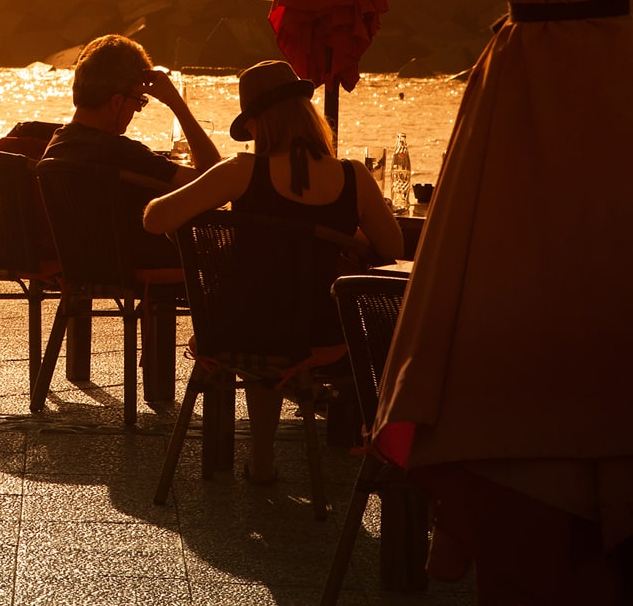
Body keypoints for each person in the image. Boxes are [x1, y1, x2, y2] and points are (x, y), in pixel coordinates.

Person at [142, 59, 403, 483]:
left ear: (260, 122)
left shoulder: (242, 171)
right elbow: (391, 250)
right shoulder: (353, 176)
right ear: (308, 115)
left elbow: (155, 218)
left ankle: (261, 458)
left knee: (264, 308)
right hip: (317, 334)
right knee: (331, 315)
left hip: (236, 329)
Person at [40, 33, 222, 187]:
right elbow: (214, 183)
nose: (138, 110)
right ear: (117, 102)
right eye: (139, 101)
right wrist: (177, 104)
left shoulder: (57, 144)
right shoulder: (123, 154)